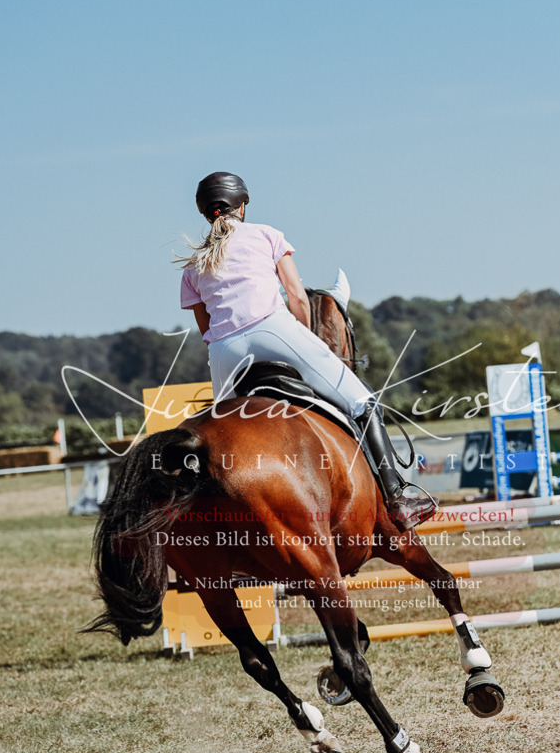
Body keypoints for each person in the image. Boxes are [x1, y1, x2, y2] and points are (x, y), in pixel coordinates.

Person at [178, 171, 435, 531]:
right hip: (272, 329)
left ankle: (215, 529)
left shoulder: (194, 265)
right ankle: (398, 495)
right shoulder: (266, 234)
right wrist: (305, 337)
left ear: (205, 212)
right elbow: (297, 297)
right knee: (364, 402)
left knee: (217, 438)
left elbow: (206, 329)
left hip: (223, 352)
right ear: (243, 205)